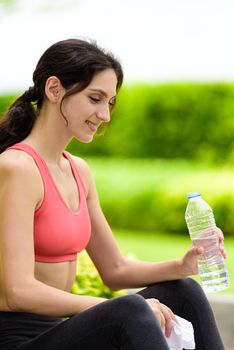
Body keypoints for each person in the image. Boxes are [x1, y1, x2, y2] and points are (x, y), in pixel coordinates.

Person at [0, 38, 226, 350]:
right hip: (16, 340)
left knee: (184, 291)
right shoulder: (17, 168)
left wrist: (182, 265)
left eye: (110, 103)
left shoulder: (79, 170)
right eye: (95, 98)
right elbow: (17, 291)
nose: (105, 115)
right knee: (130, 309)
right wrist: (110, 308)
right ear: (54, 90)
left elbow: (115, 270)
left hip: (60, 331)